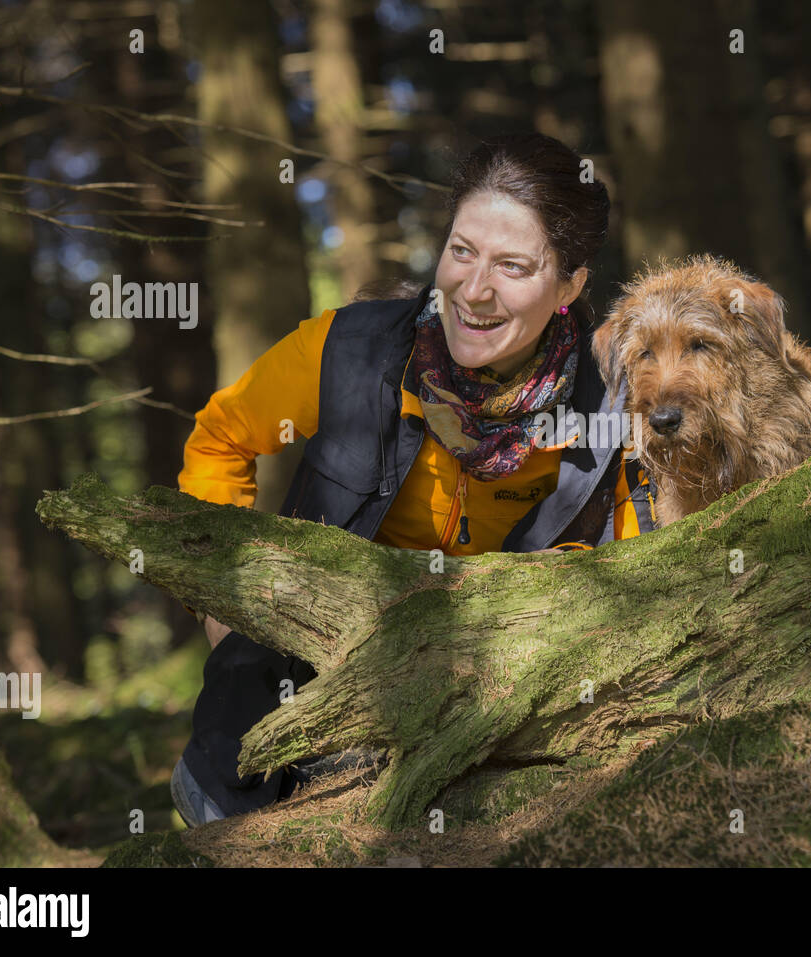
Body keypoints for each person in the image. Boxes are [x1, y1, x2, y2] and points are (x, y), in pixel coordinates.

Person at [169, 132, 658, 826]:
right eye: (462, 251)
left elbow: (642, 579)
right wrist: (228, 604)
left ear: (571, 285)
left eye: (513, 265)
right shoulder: (346, 349)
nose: (475, 290)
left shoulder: (611, 407)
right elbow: (220, 439)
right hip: (291, 689)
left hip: (491, 715)